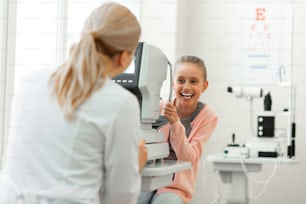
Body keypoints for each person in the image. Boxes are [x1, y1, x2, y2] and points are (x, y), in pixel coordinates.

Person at [0, 2, 147, 204]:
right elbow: (120, 198)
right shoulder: (121, 103)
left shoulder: (30, 80)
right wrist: (134, 167)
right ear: (123, 58)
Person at [137, 55, 218, 204]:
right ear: (173, 84)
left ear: (204, 85)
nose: (186, 86)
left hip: (175, 186)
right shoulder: (159, 106)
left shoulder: (207, 116)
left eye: (193, 81)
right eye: (181, 80)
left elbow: (189, 158)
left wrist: (175, 123)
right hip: (148, 178)